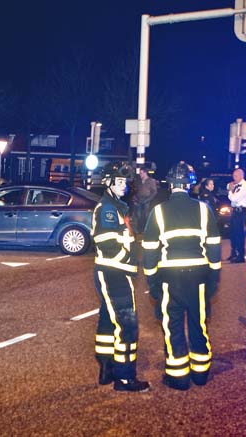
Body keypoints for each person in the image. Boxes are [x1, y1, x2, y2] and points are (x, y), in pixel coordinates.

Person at [142, 161, 222, 390]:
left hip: (170, 277)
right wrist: (213, 278)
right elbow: (214, 247)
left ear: (170, 184)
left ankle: (178, 377)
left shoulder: (158, 212)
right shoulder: (203, 209)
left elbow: (149, 251)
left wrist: (153, 281)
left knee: (172, 325)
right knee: (199, 323)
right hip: (198, 276)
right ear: (190, 184)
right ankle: (200, 373)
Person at [91, 162, 150, 392]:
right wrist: (129, 256)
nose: (124, 186)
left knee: (108, 321)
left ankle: (107, 368)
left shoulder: (117, 206)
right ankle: (125, 378)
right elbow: (107, 244)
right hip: (115, 272)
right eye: (119, 182)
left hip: (113, 271)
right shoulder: (108, 208)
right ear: (108, 183)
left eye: (125, 182)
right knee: (127, 325)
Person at [226, 168, 246, 263]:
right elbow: (228, 187)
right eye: (233, 176)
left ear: (241, 176)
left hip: (241, 212)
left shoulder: (245, 186)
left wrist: (230, 191)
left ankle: (240, 256)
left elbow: (234, 198)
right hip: (235, 212)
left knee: (239, 234)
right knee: (233, 234)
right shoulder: (237, 185)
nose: (234, 178)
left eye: (235, 176)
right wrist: (230, 189)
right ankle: (234, 253)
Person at [131, 166, 158, 235]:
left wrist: (148, 200)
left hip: (147, 201)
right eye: (140, 173)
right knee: (139, 216)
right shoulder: (139, 181)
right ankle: (140, 230)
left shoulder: (151, 181)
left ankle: (146, 230)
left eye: (141, 173)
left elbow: (154, 192)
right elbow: (136, 191)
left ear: (145, 173)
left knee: (146, 216)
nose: (140, 175)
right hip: (139, 200)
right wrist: (135, 198)